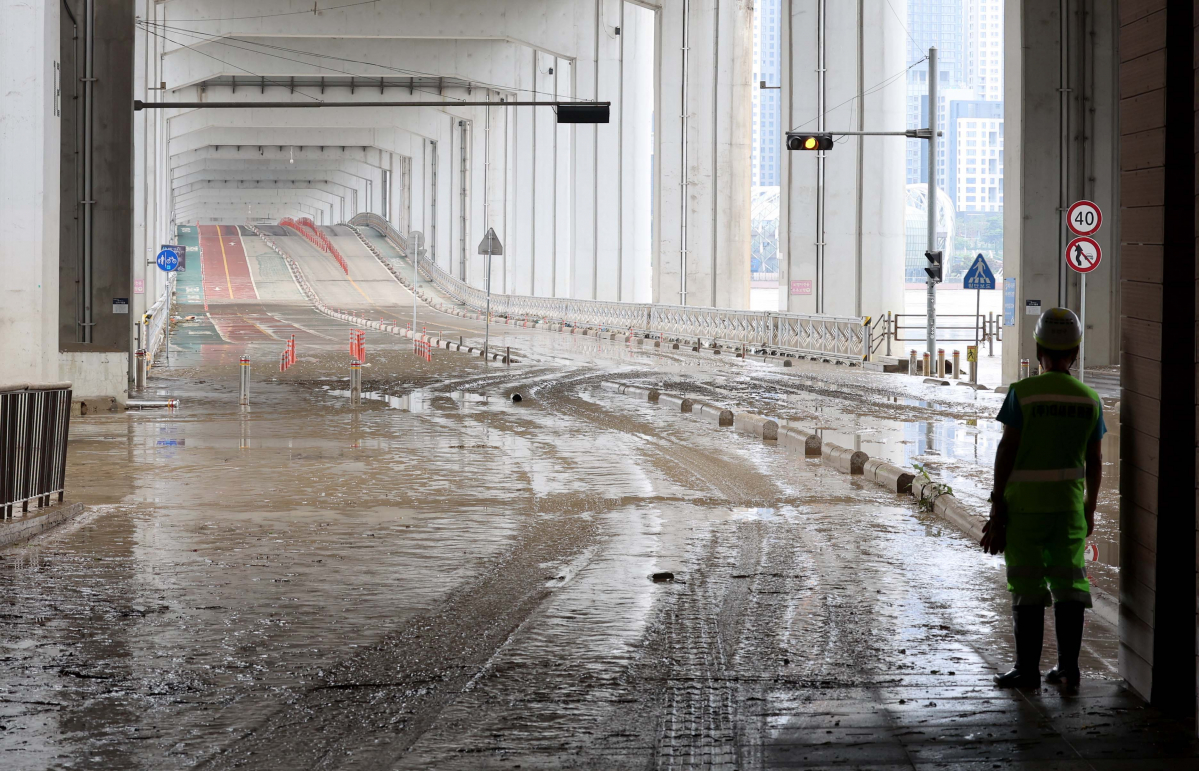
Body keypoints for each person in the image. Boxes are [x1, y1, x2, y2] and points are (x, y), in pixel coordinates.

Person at [981, 307, 1105, 690]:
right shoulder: (1089, 399)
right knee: (1070, 586)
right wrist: (1090, 508)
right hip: (1069, 509)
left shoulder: (1023, 394)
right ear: (1076, 352)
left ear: (1038, 348)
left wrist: (997, 507)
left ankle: (1027, 670)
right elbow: (1095, 460)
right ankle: (1068, 669)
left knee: (1027, 586)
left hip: (1025, 510)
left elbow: (1007, 451)